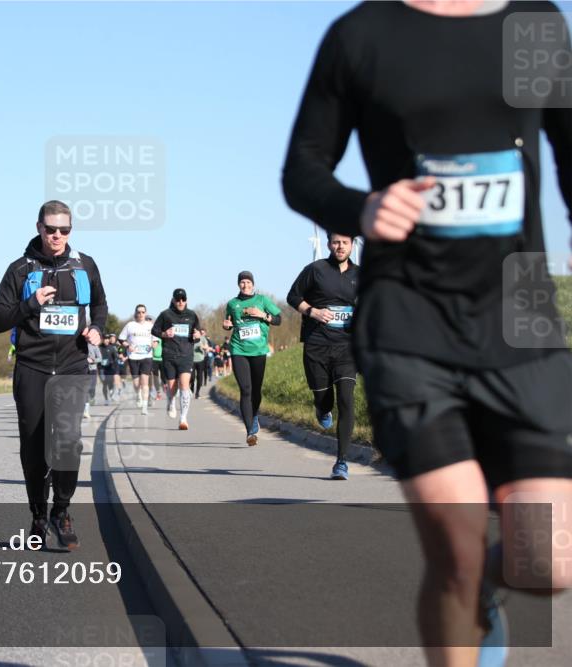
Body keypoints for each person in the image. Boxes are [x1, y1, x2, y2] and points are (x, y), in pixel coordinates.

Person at [283, 2, 572, 665]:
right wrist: (363, 207)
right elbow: (302, 167)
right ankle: (466, 590)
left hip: (520, 308)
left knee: (547, 559)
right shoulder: (362, 36)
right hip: (409, 313)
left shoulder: (532, 24)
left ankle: (486, 595)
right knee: (458, 546)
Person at [0, 200, 107, 550]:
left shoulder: (85, 265)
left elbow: (99, 304)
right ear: (39, 227)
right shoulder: (20, 269)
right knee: (35, 449)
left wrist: (97, 328)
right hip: (32, 367)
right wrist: (30, 304)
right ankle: (39, 515)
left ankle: (62, 511)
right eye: (51, 229)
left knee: (68, 441)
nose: (57, 236)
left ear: (71, 230)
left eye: (64, 230)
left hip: (72, 365)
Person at [287, 231, 360, 479]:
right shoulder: (315, 269)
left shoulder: (360, 275)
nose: (340, 246)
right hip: (317, 344)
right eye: (336, 242)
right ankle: (321, 408)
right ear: (328, 244)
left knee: (347, 400)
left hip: (346, 348)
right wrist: (312, 312)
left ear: (352, 245)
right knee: (324, 399)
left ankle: (341, 462)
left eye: (345, 243)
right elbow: (293, 296)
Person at [223, 271, 282, 446]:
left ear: (253, 284)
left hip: (258, 350)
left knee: (256, 390)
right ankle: (250, 431)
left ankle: (254, 415)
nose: (245, 285)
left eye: (248, 282)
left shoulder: (263, 300)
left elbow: (278, 319)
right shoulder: (232, 304)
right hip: (238, 349)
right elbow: (228, 323)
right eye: (242, 282)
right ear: (238, 285)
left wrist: (262, 315)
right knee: (245, 389)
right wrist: (226, 325)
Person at [152, 288, 202, 430]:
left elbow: (196, 333)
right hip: (169, 354)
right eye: (178, 299)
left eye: (183, 299)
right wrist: (164, 334)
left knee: (184, 385)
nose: (180, 302)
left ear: (186, 300)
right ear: (173, 300)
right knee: (172, 387)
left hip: (186, 354)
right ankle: (171, 401)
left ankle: (183, 418)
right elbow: (154, 330)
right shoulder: (165, 315)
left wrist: (197, 336)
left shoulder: (192, 315)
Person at [120, 305, 156, 414]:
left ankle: (144, 407)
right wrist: (127, 346)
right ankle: (138, 395)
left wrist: (154, 344)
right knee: (136, 384)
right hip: (133, 356)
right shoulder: (130, 325)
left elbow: (156, 339)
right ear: (135, 313)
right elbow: (121, 339)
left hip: (146, 356)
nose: (141, 314)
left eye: (143, 312)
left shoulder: (151, 325)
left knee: (145, 381)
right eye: (139, 312)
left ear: (145, 313)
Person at [84, 340, 102, 420]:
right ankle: (86, 411)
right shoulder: (79, 345)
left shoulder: (94, 346)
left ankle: (92, 398)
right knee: (85, 390)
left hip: (92, 369)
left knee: (91, 389)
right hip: (83, 370)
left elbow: (100, 358)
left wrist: (93, 360)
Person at [190, 329, 210, 399]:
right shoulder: (190, 339)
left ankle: (197, 393)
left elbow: (207, 348)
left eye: (196, 332)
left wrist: (203, 347)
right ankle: (191, 388)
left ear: (199, 333)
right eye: (194, 332)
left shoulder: (203, 339)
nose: (194, 334)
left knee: (199, 377)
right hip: (191, 360)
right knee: (191, 377)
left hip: (201, 360)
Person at [99, 333, 118, 405]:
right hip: (101, 369)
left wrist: (115, 368)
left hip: (110, 368)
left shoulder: (111, 348)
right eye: (105, 339)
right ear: (102, 340)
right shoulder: (99, 348)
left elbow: (115, 358)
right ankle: (106, 399)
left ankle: (111, 391)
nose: (106, 340)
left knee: (110, 383)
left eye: (107, 339)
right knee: (104, 383)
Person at [151, 335, 165, 402]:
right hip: (154, 360)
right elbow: (153, 346)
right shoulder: (153, 338)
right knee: (155, 377)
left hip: (163, 360)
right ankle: (158, 393)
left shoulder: (164, 337)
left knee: (163, 377)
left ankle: (165, 388)